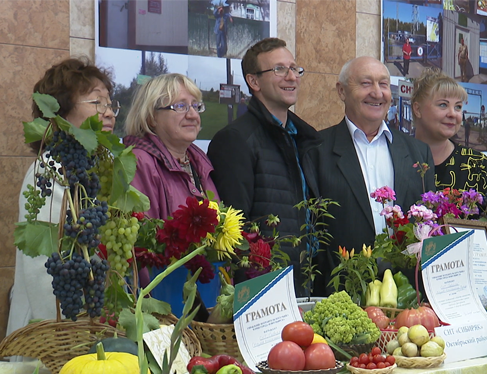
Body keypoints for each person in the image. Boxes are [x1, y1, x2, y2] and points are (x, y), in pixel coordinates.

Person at [7, 58, 119, 335]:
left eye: (110, 103)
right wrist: (68, 338)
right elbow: (44, 274)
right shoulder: (50, 171)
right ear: (61, 113)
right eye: (96, 103)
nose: (109, 113)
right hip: (55, 335)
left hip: (92, 326)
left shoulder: (96, 169)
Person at [208, 38, 322, 297]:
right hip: (265, 294)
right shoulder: (235, 140)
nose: (291, 76)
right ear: (254, 81)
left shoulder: (306, 138)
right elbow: (234, 230)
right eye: (279, 69)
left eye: (295, 68)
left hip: (306, 285)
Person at [309, 56, 434, 277]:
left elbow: (428, 225)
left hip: (405, 289)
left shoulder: (418, 152)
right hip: (341, 289)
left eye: (383, 84)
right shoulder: (316, 150)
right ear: (341, 91)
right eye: (366, 83)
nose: (377, 93)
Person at [123, 73, 218, 221]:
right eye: (181, 106)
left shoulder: (200, 160)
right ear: (152, 117)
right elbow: (143, 238)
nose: (193, 115)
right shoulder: (139, 162)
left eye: (195, 106)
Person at [411, 68, 487, 194]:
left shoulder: (478, 166)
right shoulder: (395, 161)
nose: (453, 114)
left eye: (458, 107)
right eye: (443, 105)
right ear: (417, 109)